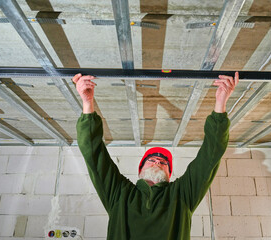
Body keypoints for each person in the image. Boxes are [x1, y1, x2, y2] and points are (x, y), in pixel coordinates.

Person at [73, 72, 239, 240]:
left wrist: (221, 103)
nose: (157, 162)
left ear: (169, 174)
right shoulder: (119, 193)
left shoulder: (181, 194)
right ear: (140, 170)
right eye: (151, 160)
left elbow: (210, 156)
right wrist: (87, 104)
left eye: (163, 162)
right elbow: (94, 154)